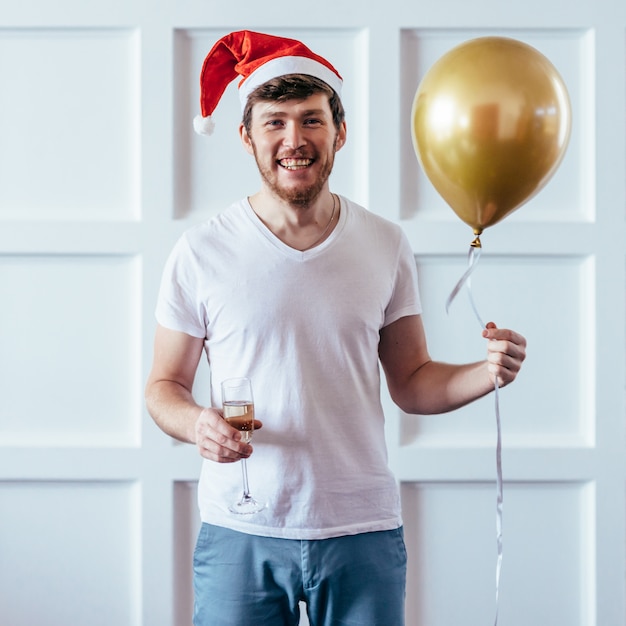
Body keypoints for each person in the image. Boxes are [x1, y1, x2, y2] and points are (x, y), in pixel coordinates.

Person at [145, 30, 527, 626]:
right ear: (247, 137)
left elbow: (413, 381)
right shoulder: (201, 251)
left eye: (311, 120)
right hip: (240, 530)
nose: (293, 140)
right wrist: (197, 424)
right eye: (274, 123)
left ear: (339, 132)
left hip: (361, 528)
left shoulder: (384, 243)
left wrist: (486, 373)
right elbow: (162, 387)